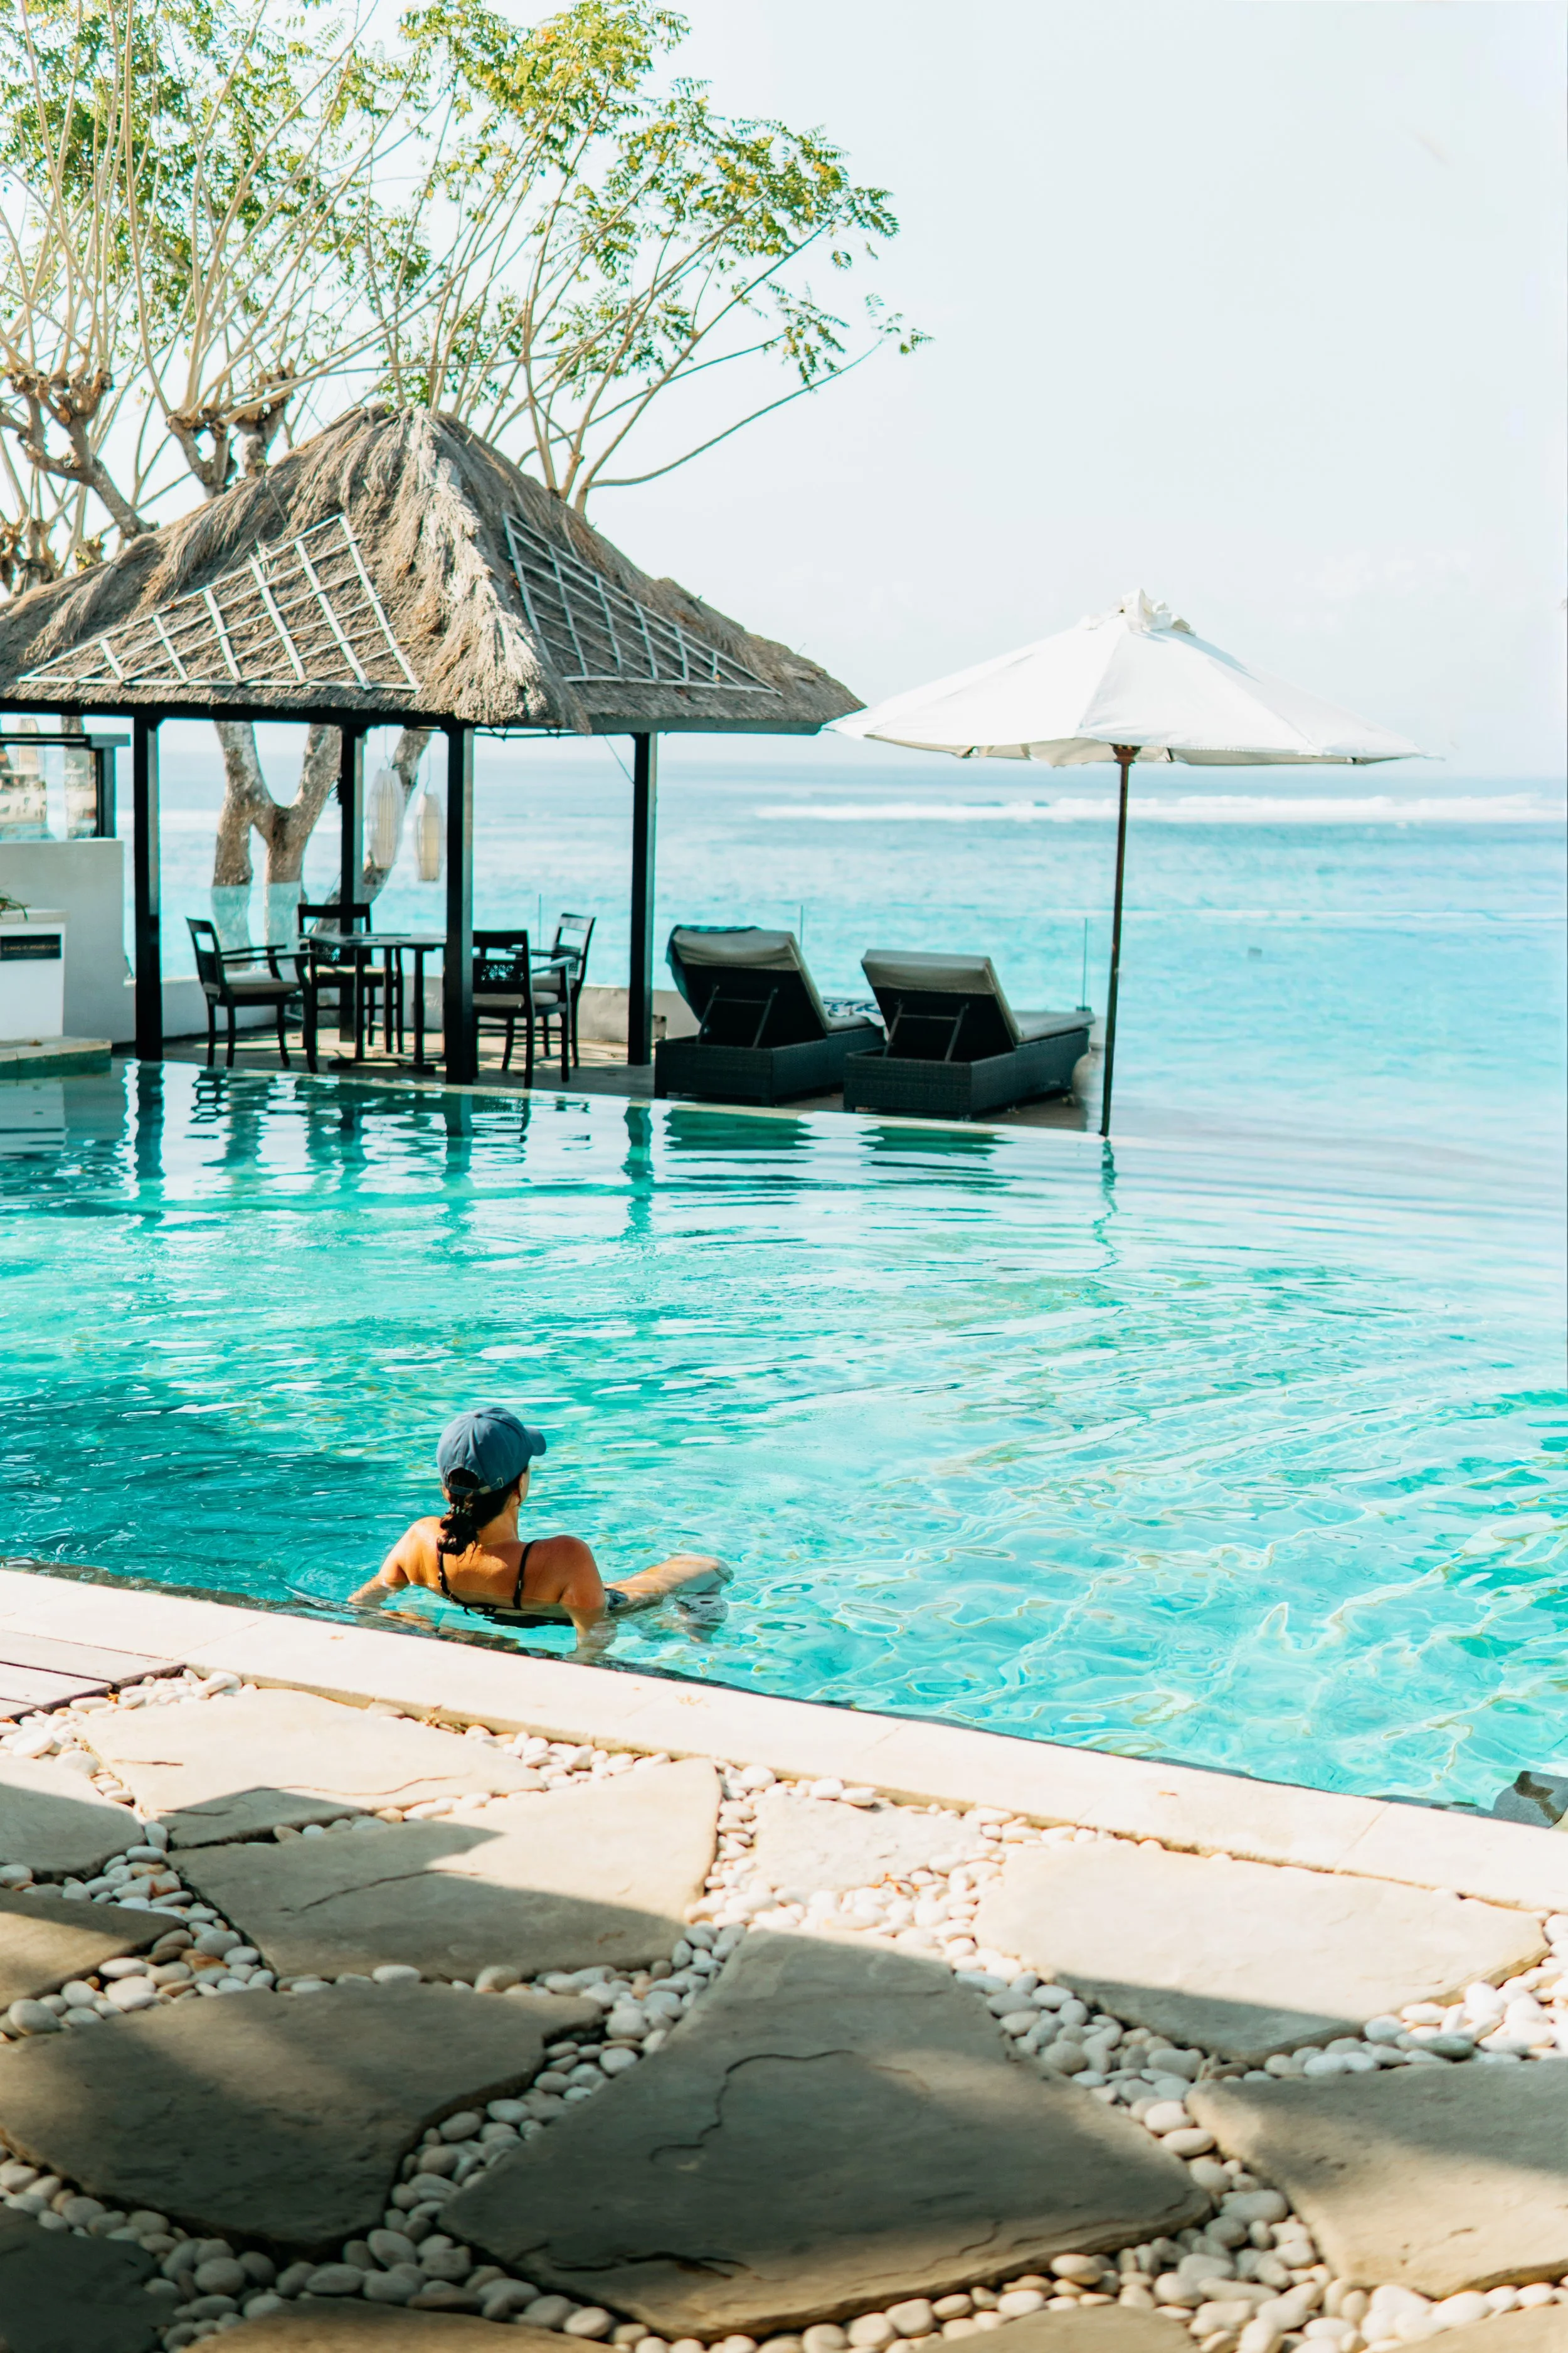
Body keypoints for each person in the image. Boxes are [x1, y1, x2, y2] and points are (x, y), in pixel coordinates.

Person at [349, 1404, 727, 1652]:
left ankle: (669, 1626)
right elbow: (597, 1638)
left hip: (479, 1601)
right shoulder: (564, 1556)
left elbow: (363, 1604)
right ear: (520, 1486)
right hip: (605, 1606)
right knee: (707, 1568)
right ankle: (696, 1638)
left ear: (445, 1487)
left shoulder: (420, 1541)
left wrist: (414, 1626)